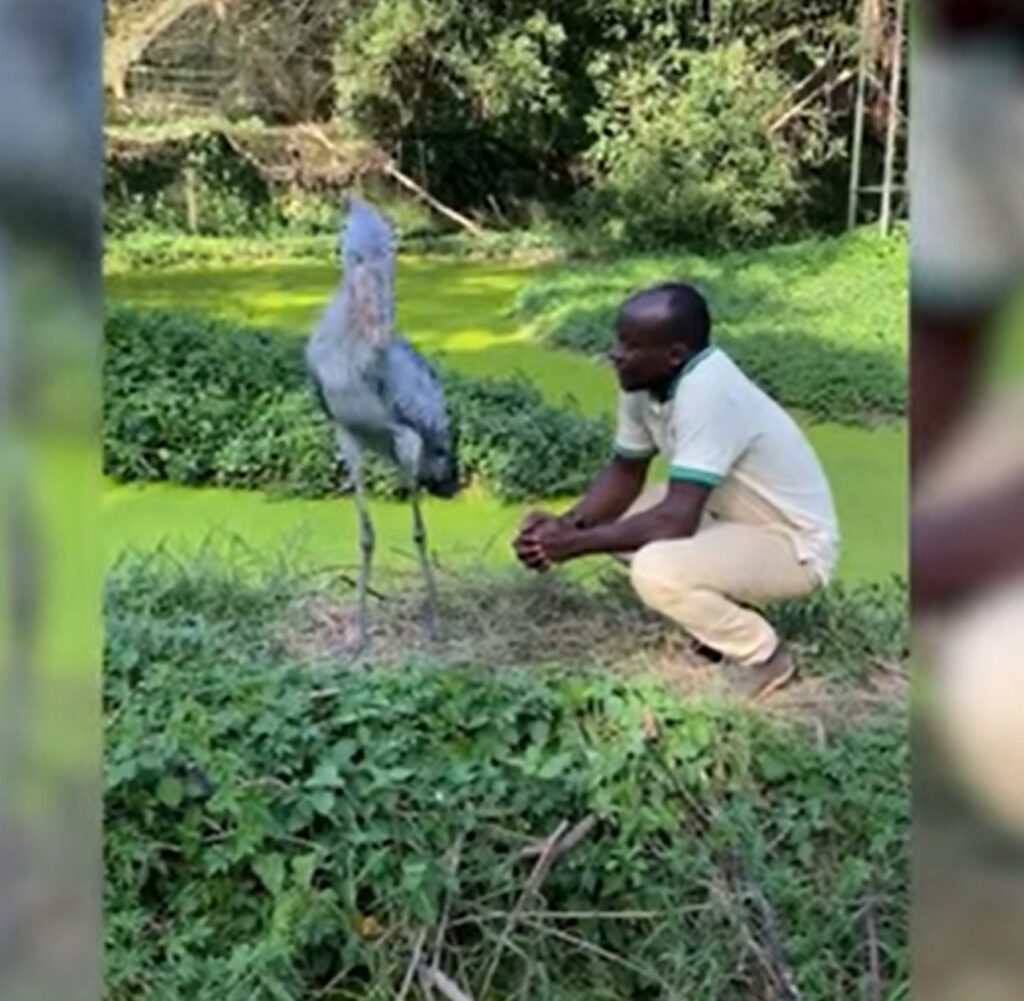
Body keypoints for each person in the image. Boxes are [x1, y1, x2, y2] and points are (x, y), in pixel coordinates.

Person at [512, 282, 839, 700]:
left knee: (656, 568)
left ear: (674, 355)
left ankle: (762, 656)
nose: (615, 353)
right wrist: (563, 526)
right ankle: (722, 620)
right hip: (730, 520)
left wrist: (576, 544)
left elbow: (675, 519)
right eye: (617, 340)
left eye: (630, 346)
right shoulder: (643, 382)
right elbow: (624, 473)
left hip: (791, 545)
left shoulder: (708, 392)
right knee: (621, 517)